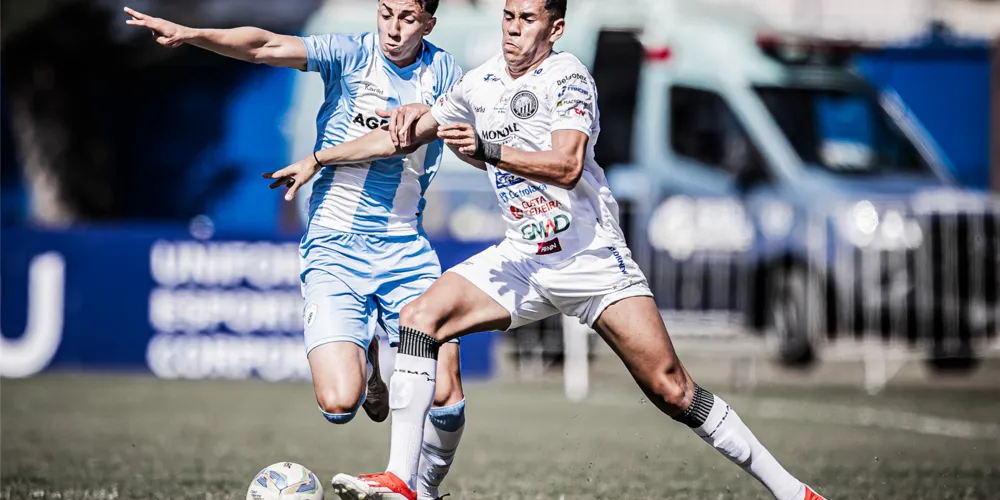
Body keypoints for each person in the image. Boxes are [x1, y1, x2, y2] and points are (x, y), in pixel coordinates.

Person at [268, 0, 826, 498]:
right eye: (508, 17)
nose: (513, 30)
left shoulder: (568, 79)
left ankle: (793, 492)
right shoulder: (481, 82)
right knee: (419, 320)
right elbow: (405, 136)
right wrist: (322, 158)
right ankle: (402, 483)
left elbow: (567, 165)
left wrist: (489, 149)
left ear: (555, 28)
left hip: (590, 263)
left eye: (527, 19)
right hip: (523, 259)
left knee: (674, 390)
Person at [124, 3, 473, 499]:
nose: (395, 29)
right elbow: (265, 45)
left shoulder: (444, 72)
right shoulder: (351, 53)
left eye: (409, 18)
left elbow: (401, 141)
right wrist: (192, 33)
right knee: (338, 403)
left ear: (429, 23)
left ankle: (423, 490)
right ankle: (373, 364)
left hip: (404, 246)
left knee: (446, 389)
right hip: (335, 247)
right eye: (387, 12)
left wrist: (318, 158)